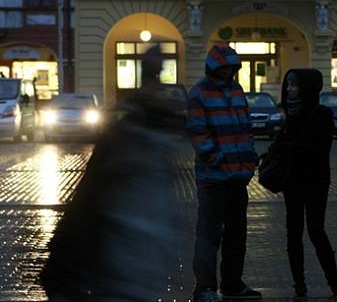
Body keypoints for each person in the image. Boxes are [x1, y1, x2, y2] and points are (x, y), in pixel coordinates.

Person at [40, 45, 182, 301]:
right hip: (121, 270)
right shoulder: (128, 143)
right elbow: (88, 202)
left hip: (136, 269)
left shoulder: (145, 146)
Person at [187, 45, 260, 302]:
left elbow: (247, 128)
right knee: (209, 234)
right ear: (214, 67)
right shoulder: (199, 93)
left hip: (238, 177)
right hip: (213, 179)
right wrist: (215, 159)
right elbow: (198, 132)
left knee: (236, 234)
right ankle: (205, 287)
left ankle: (232, 283)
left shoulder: (237, 91)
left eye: (231, 68)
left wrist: (249, 158)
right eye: (224, 67)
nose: (228, 72)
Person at [273, 69, 337, 300]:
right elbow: (281, 144)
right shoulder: (287, 113)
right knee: (293, 234)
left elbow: (321, 149)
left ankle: (335, 284)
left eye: (294, 85)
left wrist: (293, 148)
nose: (289, 89)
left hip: (316, 181)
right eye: (288, 84)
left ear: (307, 87)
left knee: (316, 231)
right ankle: (299, 285)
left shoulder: (321, 114)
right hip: (292, 182)